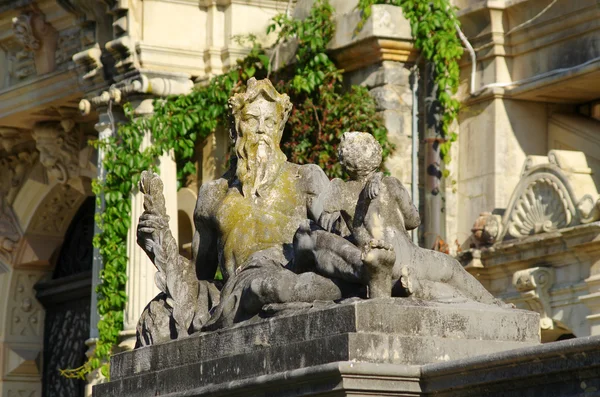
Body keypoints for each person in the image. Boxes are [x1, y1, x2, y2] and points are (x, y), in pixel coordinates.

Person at [294, 131, 507, 306]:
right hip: (409, 255)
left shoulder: (340, 189)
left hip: (377, 259)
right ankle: (491, 302)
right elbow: (414, 220)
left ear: (344, 160)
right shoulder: (392, 184)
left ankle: (410, 286)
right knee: (451, 268)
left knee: (437, 279)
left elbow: (325, 220)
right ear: (375, 154)